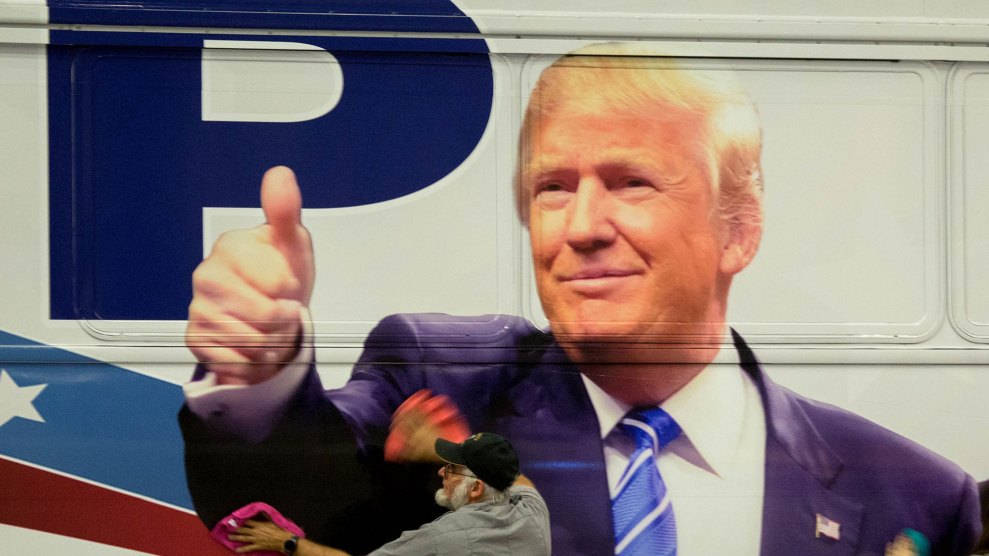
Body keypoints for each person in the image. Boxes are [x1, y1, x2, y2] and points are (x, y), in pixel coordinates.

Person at [180, 43, 981, 555]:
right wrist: (259, 372)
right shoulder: (438, 377)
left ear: (737, 231)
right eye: (553, 188)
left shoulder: (912, 497)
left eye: (631, 182)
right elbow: (297, 508)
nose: (582, 226)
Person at [225, 433, 551, 556]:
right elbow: (518, 480)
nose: (441, 472)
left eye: (451, 468)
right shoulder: (532, 518)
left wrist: (287, 543)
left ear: (476, 489)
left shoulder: (442, 538)